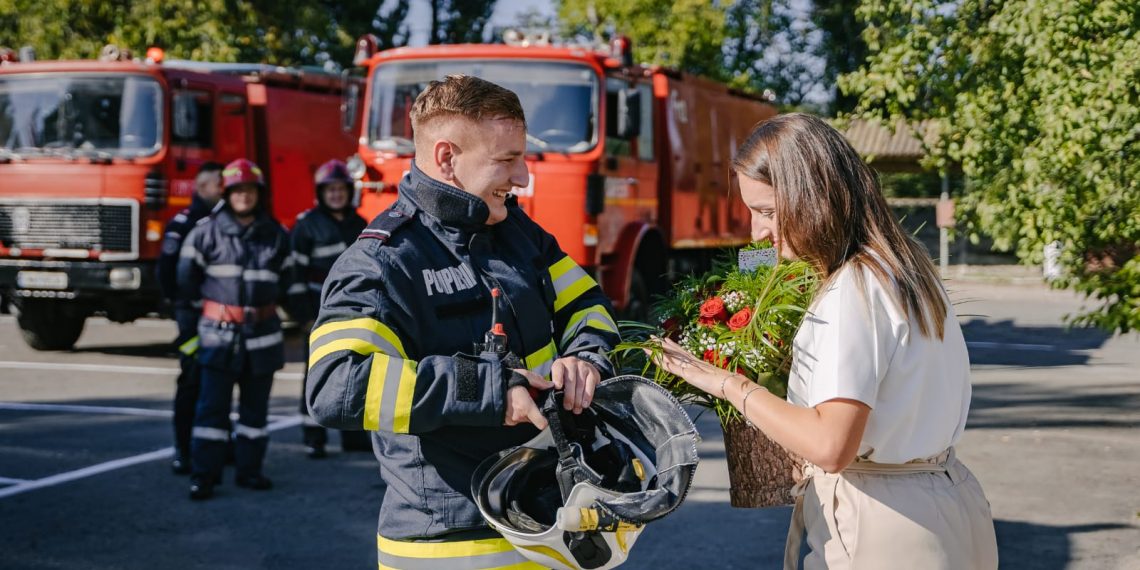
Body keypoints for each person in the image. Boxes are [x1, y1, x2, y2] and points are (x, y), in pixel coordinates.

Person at [651, 113, 998, 569]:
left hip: (881, 524)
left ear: (813, 197)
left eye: (769, 212)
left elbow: (832, 445)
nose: (758, 231)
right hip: (945, 501)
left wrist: (727, 384)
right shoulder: (904, 267)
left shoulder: (851, 289)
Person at [305, 74, 620, 568]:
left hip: (547, 515)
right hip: (451, 541)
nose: (522, 177)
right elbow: (335, 385)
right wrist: (490, 390)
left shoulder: (517, 231)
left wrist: (585, 356)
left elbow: (587, 304)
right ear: (446, 157)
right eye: (506, 160)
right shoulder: (383, 262)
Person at [178, 158, 293, 501]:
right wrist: (188, 335)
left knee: (255, 414)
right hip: (217, 338)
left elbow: (288, 282)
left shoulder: (276, 235)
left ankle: (250, 471)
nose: (244, 196)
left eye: (250, 190)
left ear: (259, 194)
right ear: (227, 193)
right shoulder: (204, 233)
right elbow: (186, 286)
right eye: (237, 190)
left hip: (263, 338)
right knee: (211, 410)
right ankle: (204, 476)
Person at [288, 159, 372, 458]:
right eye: (330, 190)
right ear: (320, 193)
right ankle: (313, 435)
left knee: (358, 373)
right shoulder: (306, 225)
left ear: (349, 191)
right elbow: (294, 276)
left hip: (356, 316)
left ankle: (353, 436)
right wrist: (304, 316)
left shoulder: (360, 224)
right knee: (317, 374)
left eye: (340, 189)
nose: (336, 195)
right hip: (318, 317)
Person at [157, 161, 225, 475]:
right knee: (192, 382)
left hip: (221, 318)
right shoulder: (184, 223)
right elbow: (167, 272)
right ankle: (183, 450)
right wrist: (183, 306)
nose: (224, 189)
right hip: (193, 319)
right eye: (217, 184)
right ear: (201, 188)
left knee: (220, 382)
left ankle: (218, 447)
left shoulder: (226, 221)